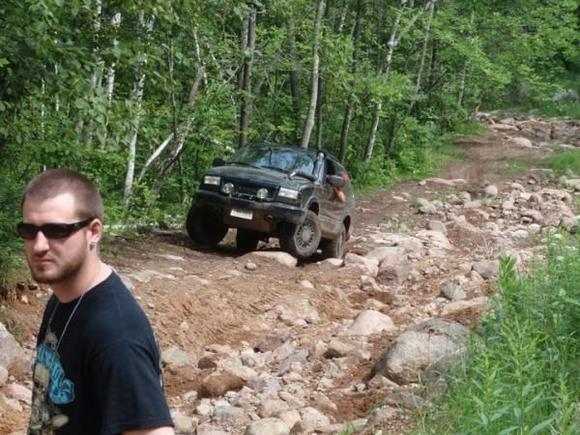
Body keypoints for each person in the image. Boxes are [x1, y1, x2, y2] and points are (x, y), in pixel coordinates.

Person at [19, 168, 174, 435]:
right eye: (29, 230)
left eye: (56, 230)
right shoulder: (61, 300)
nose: (39, 245)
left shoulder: (116, 335)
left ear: (93, 232)